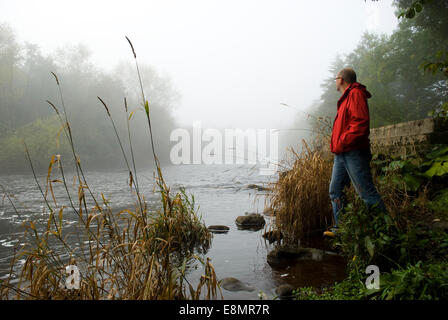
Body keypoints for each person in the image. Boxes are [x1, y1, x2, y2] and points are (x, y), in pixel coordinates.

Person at [324, 68, 387, 238]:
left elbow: (360, 124)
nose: (335, 81)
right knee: (335, 191)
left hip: (353, 152)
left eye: (336, 78)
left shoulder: (355, 94)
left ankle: (386, 233)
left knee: (366, 193)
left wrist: (343, 141)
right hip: (341, 154)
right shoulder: (345, 98)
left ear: (342, 79)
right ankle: (343, 230)